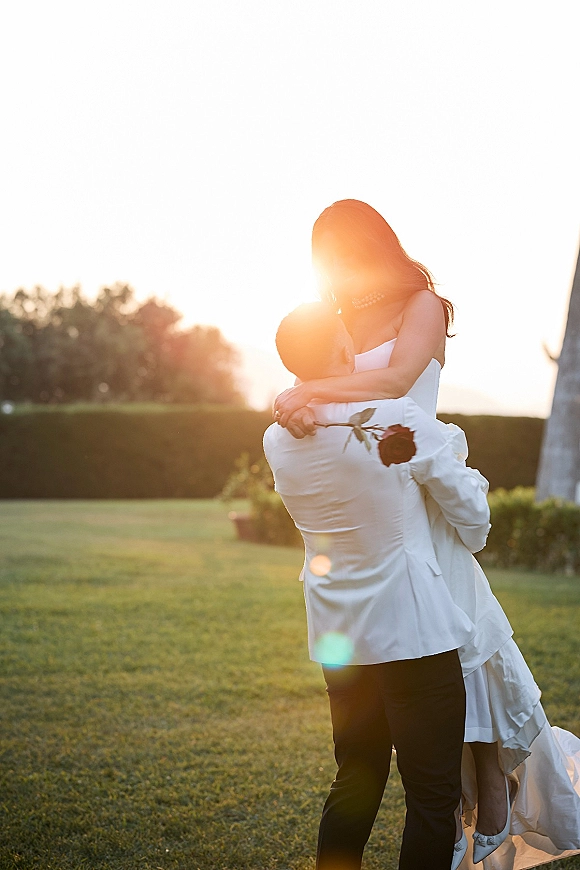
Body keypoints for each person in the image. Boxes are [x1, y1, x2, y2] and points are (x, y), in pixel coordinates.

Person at [272, 199, 580, 869]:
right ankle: (484, 796)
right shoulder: (339, 324)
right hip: (384, 494)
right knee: (449, 661)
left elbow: (394, 382)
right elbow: (331, 377)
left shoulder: (424, 307)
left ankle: (494, 789)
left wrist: (306, 391)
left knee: (471, 650)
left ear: (373, 247)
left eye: (345, 257)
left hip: (416, 473)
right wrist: (306, 397)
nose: (338, 276)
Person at [264, 307, 492, 870]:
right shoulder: (394, 417)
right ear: (343, 353)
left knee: (356, 777)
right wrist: (459, 462)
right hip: (413, 630)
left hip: (340, 636)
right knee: (432, 797)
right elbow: (476, 521)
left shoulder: (277, 437)